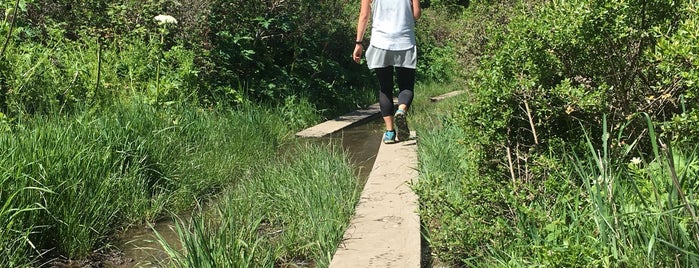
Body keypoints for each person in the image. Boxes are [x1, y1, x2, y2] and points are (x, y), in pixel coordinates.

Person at [353, 0, 421, 144]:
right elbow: (416, 14)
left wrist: (359, 43)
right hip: (405, 42)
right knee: (406, 86)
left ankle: (390, 132)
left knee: (385, 88)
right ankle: (401, 110)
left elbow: (364, 15)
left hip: (380, 42)